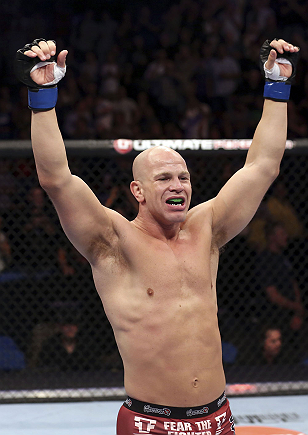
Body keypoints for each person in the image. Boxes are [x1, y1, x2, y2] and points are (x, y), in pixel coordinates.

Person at [14, 37, 299, 435]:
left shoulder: (207, 228)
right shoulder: (113, 243)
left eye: (183, 177)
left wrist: (277, 86)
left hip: (219, 419)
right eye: (164, 178)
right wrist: (42, 96)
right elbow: (57, 180)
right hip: (152, 424)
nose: (177, 184)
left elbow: (263, 166)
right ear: (138, 191)